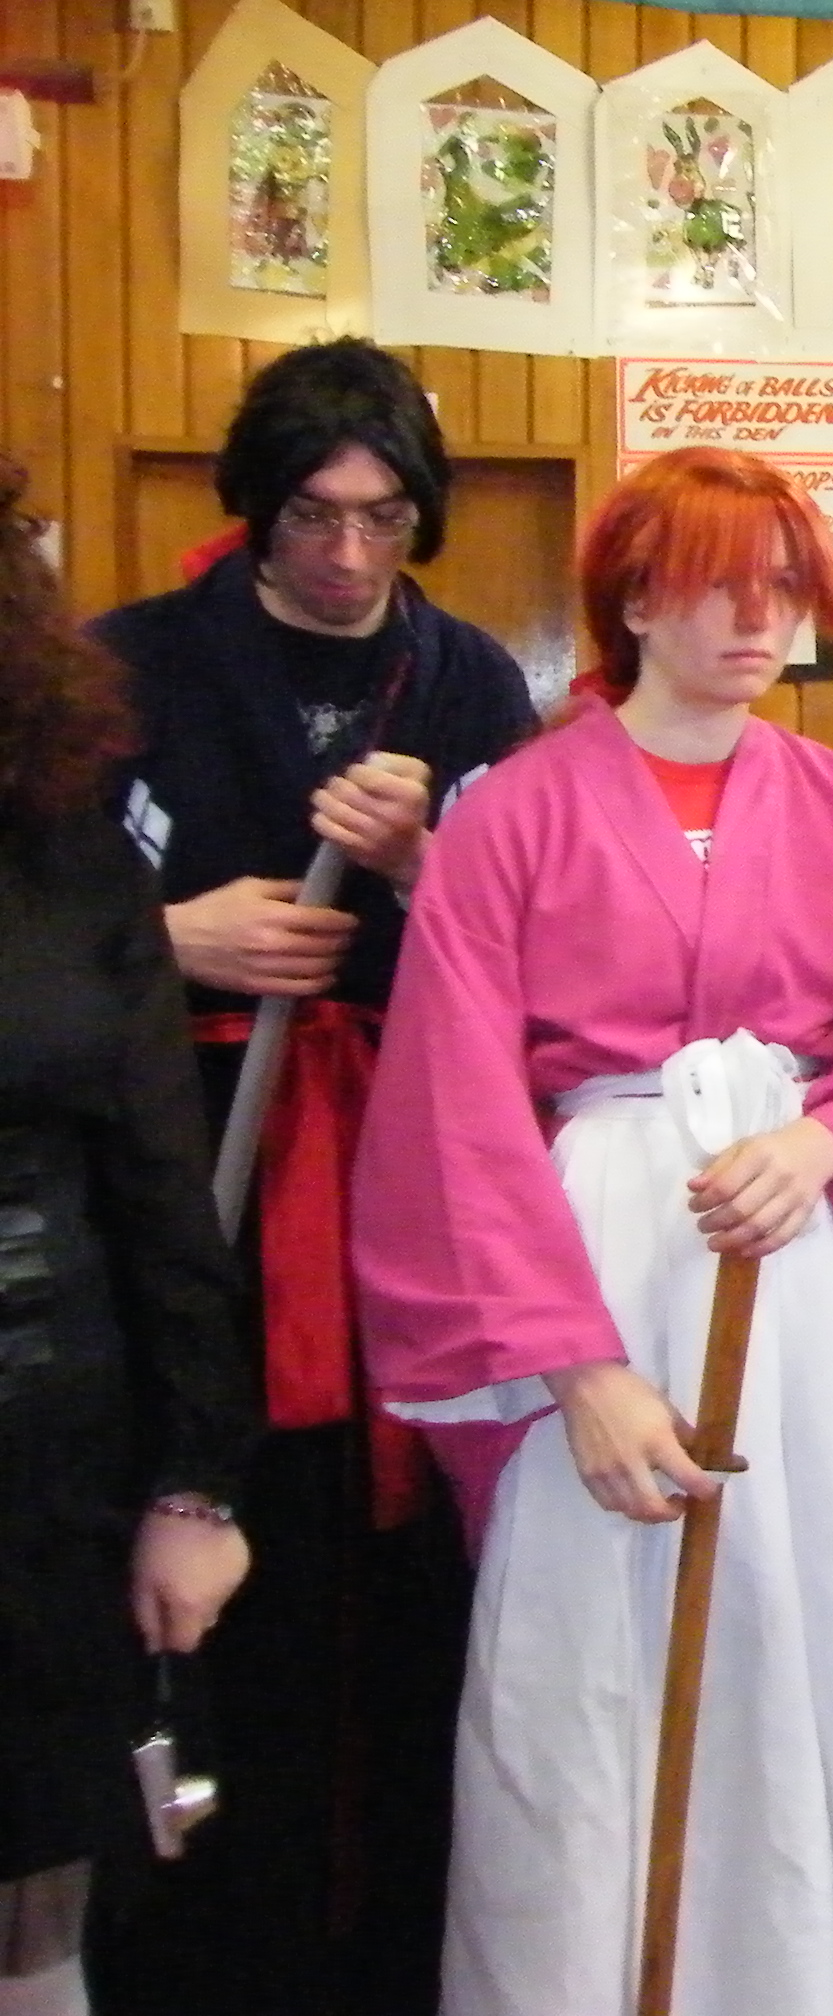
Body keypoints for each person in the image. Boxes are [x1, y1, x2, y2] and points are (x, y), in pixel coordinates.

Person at [347, 448, 833, 2016]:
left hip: (818, 1271)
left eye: (785, 589)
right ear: (632, 596)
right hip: (603, 1271)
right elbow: (454, 1108)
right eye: (721, 585)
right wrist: (575, 1371)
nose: (759, 622)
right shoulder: (516, 815)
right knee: (604, 1676)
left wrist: (825, 1135)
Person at [88, 337, 537, 2016]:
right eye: (312, 516)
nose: (348, 553)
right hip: (182, 1177)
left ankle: (391, 1960)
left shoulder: (467, 681)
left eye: (383, 517)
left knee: (401, 1565)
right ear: (255, 509)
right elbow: (38, 924)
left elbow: (536, 959)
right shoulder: (127, 668)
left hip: (404, 1176)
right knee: (198, 1545)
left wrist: (425, 873)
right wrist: (172, 937)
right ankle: (197, 1956)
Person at [0, 459, 260, 2016]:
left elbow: (164, 1201)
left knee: (37, 1911)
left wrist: (191, 1488)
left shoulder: (75, 861)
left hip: (47, 1470)